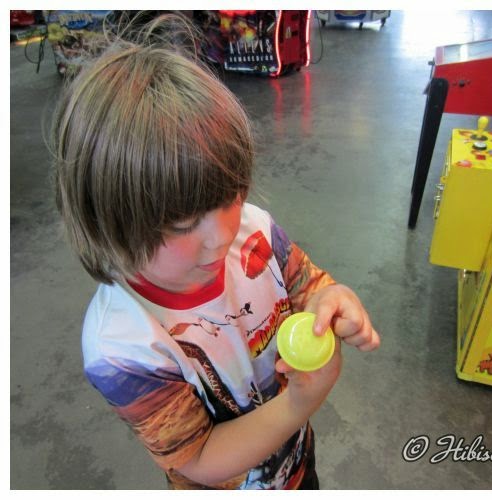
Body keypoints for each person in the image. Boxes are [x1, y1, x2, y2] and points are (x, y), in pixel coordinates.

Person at [55, 15, 380, 489]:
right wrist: (300, 403)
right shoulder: (123, 345)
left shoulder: (255, 230)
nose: (223, 234)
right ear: (106, 223)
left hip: (295, 466)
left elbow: (309, 287)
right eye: (184, 224)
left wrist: (333, 300)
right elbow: (199, 459)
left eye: (232, 196)